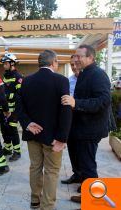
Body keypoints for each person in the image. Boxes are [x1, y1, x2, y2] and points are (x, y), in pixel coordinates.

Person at [17, 50, 72, 210]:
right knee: (52, 171)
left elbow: (19, 106)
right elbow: (66, 110)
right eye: (57, 62)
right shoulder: (61, 81)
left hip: (32, 134)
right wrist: (62, 138)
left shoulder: (26, 81)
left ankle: (35, 201)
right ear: (53, 62)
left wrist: (27, 123)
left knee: (35, 167)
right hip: (53, 137)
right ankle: (47, 206)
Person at [61, 44, 111, 203]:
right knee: (80, 160)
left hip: (90, 128)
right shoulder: (84, 73)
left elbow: (103, 101)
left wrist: (76, 103)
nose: (75, 59)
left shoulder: (98, 75)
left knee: (88, 165)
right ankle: (81, 181)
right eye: (75, 56)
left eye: (79, 56)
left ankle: (91, 199)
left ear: (90, 57)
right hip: (81, 127)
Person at [61, 55, 82, 185]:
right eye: (72, 65)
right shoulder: (69, 81)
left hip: (85, 120)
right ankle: (77, 174)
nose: (74, 67)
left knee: (84, 152)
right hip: (71, 119)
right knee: (72, 148)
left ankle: (85, 178)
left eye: (76, 64)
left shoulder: (89, 79)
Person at [0, 53, 23, 162]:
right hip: (3, 109)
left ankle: (17, 151)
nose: (4, 65)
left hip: (13, 110)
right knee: (4, 129)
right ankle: (8, 148)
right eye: (3, 63)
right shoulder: (5, 76)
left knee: (12, 130)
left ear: (12, 63)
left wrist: (7, 96)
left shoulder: (18, 77)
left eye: (5, 63)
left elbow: (20, 94)